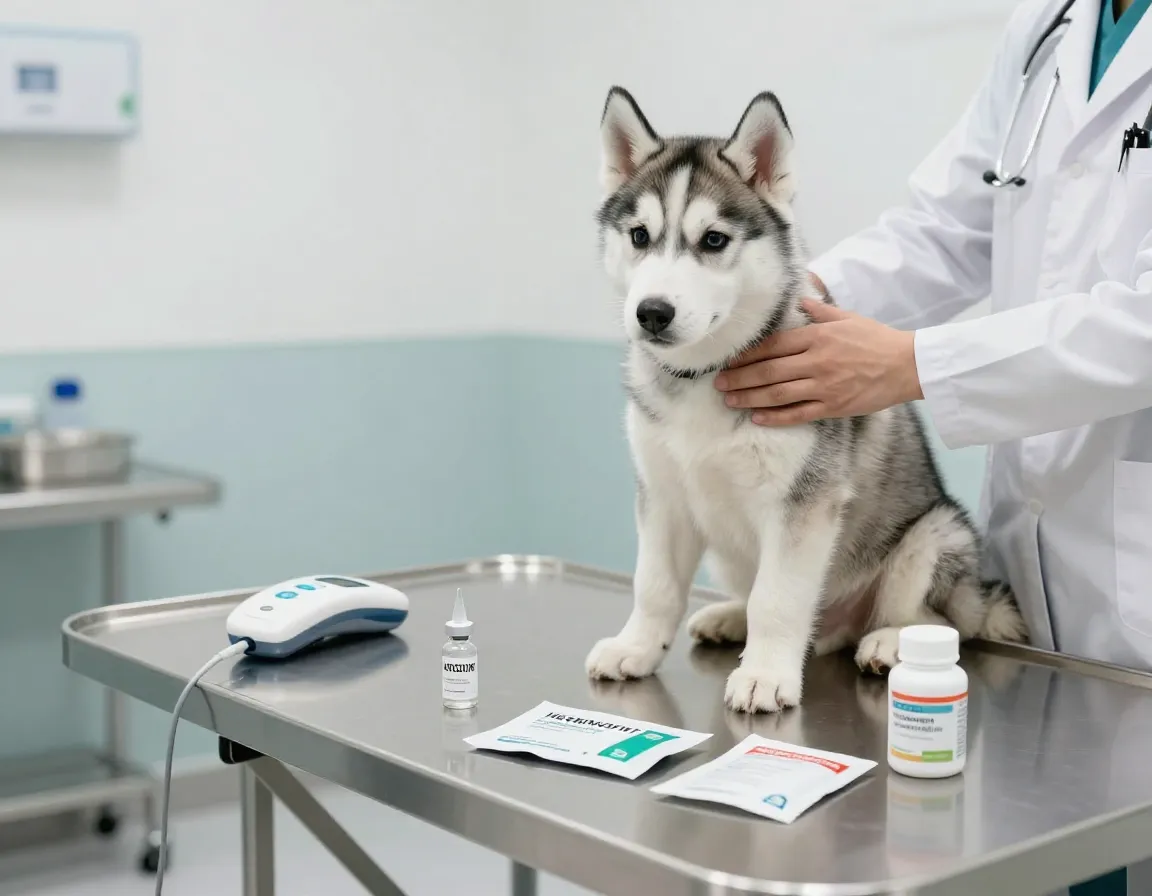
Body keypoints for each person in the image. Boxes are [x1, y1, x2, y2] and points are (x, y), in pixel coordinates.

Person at [714, 2, 1150, 893]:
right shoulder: (1048, 29)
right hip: (1036, 570)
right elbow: (949, 227)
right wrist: (790, 293)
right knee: (1055, 858)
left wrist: (914, 363)